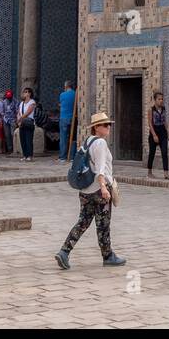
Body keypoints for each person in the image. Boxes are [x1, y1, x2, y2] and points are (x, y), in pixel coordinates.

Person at [55, 111, 125, 270]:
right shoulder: (100, 143)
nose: (108, 127)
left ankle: (64, 252)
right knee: (103, 225)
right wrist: (103, 188)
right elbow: (100, 169)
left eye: (109, 125)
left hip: (85, 191)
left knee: (82, 222)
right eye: (105, 125)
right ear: (97, 127)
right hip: (99, 190)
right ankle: (108, 256)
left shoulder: (87, 141)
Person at [147, 90, 169, 180]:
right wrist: (154, 135)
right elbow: (150, 123)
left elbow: (165, 121)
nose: (161, 101)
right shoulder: (151, 110)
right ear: (155, 100)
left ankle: (166, 173)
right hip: (154, 132)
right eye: (159, 99)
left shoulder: (164, 109)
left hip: (163, 132)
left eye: (162, 99)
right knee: (152, 153)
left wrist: (168, 134)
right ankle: (149, 172)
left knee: (164, 152)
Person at [58, 81, 77, 162]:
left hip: (64, 118)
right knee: (73, 138)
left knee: (63, 138)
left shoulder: (62, 94)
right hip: (73, 118)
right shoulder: (75, 94)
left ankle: (63, 157)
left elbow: (61, 104)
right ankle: (72, 157)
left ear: (66, 86)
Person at [16, 87, 37, 162]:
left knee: (28, 139)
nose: (26, 93)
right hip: (22, 123)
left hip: (28, 122)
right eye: (25, 92)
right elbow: (19, 112)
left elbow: (28, 112)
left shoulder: (32, 102)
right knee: (23, 140)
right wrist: (18, 120)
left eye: (28, 92)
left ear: (30, 93)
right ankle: (25, 155)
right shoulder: (21, 103)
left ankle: (30, 156)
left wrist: (20, 119)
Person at [0, 90, 16, 155]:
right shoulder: (4, 102)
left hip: (13, 120)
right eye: (8, 97)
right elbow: (1, 112)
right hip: (5, 120)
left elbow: (17, 111)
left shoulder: (15, 101)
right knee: (7, 135)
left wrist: (17, 120)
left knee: (13, 134)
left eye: (10, 97)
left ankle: (15, 148)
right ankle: (10, 149)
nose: (9, 98)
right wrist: (1, 120)